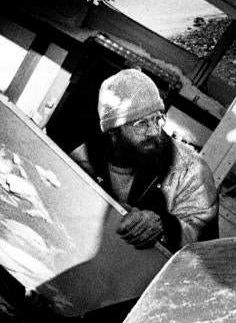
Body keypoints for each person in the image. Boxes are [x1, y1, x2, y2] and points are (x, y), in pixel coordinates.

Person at [72, 69, 218, 252]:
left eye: (157, 119)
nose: (153, 131)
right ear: (113, 132)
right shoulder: (83, 159)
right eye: (141, 124)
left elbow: (205, 247)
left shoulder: (191, 171)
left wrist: (164, 227)